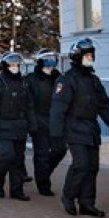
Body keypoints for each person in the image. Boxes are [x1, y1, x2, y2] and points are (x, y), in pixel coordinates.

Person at [49, 38, 109, 217]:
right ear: (77, 56)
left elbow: (104, 104)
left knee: (93, 167)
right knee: (81, 165)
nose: (90, 58)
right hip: (73, 128)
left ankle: (87, 202)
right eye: (87, 55)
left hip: (90, 128)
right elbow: (58, 109)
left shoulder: (93, 80)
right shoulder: (66, 80)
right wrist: (56, 134)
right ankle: (68, 196)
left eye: (91, 54)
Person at [0, 52, 37, 200]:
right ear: (5, 66)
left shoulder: (23, 82)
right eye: (12, 65)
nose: (15, 68)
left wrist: (32, 125)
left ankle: (17, 190)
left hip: (19, 126)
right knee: (7, 155)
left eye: (17, 65)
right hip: (1, 127)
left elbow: (29, 106)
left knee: (18, 160)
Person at [24, 51, 63, 197]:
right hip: (39, 121)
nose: (50, 66)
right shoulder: (31, 80)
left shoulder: (59, 78)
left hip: (56, 121)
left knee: (60, 150)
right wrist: (32, 123)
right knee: (42, 154)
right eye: (47, 63)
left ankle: (45, 172)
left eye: (53, 62)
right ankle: (43, 184)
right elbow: (28, 104)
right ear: (40, 63)